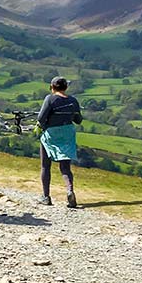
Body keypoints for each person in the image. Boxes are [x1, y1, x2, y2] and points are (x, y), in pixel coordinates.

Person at [37, 76, 83, 208]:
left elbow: (41, 118)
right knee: (65, 167)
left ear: (52, 87)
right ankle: (69, 191)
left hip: (52, 133)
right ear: (66, 87)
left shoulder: (50, 99)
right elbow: (78, 120)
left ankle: (46, 197)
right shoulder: (73, 101)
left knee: (45, 165)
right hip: (67, 133)